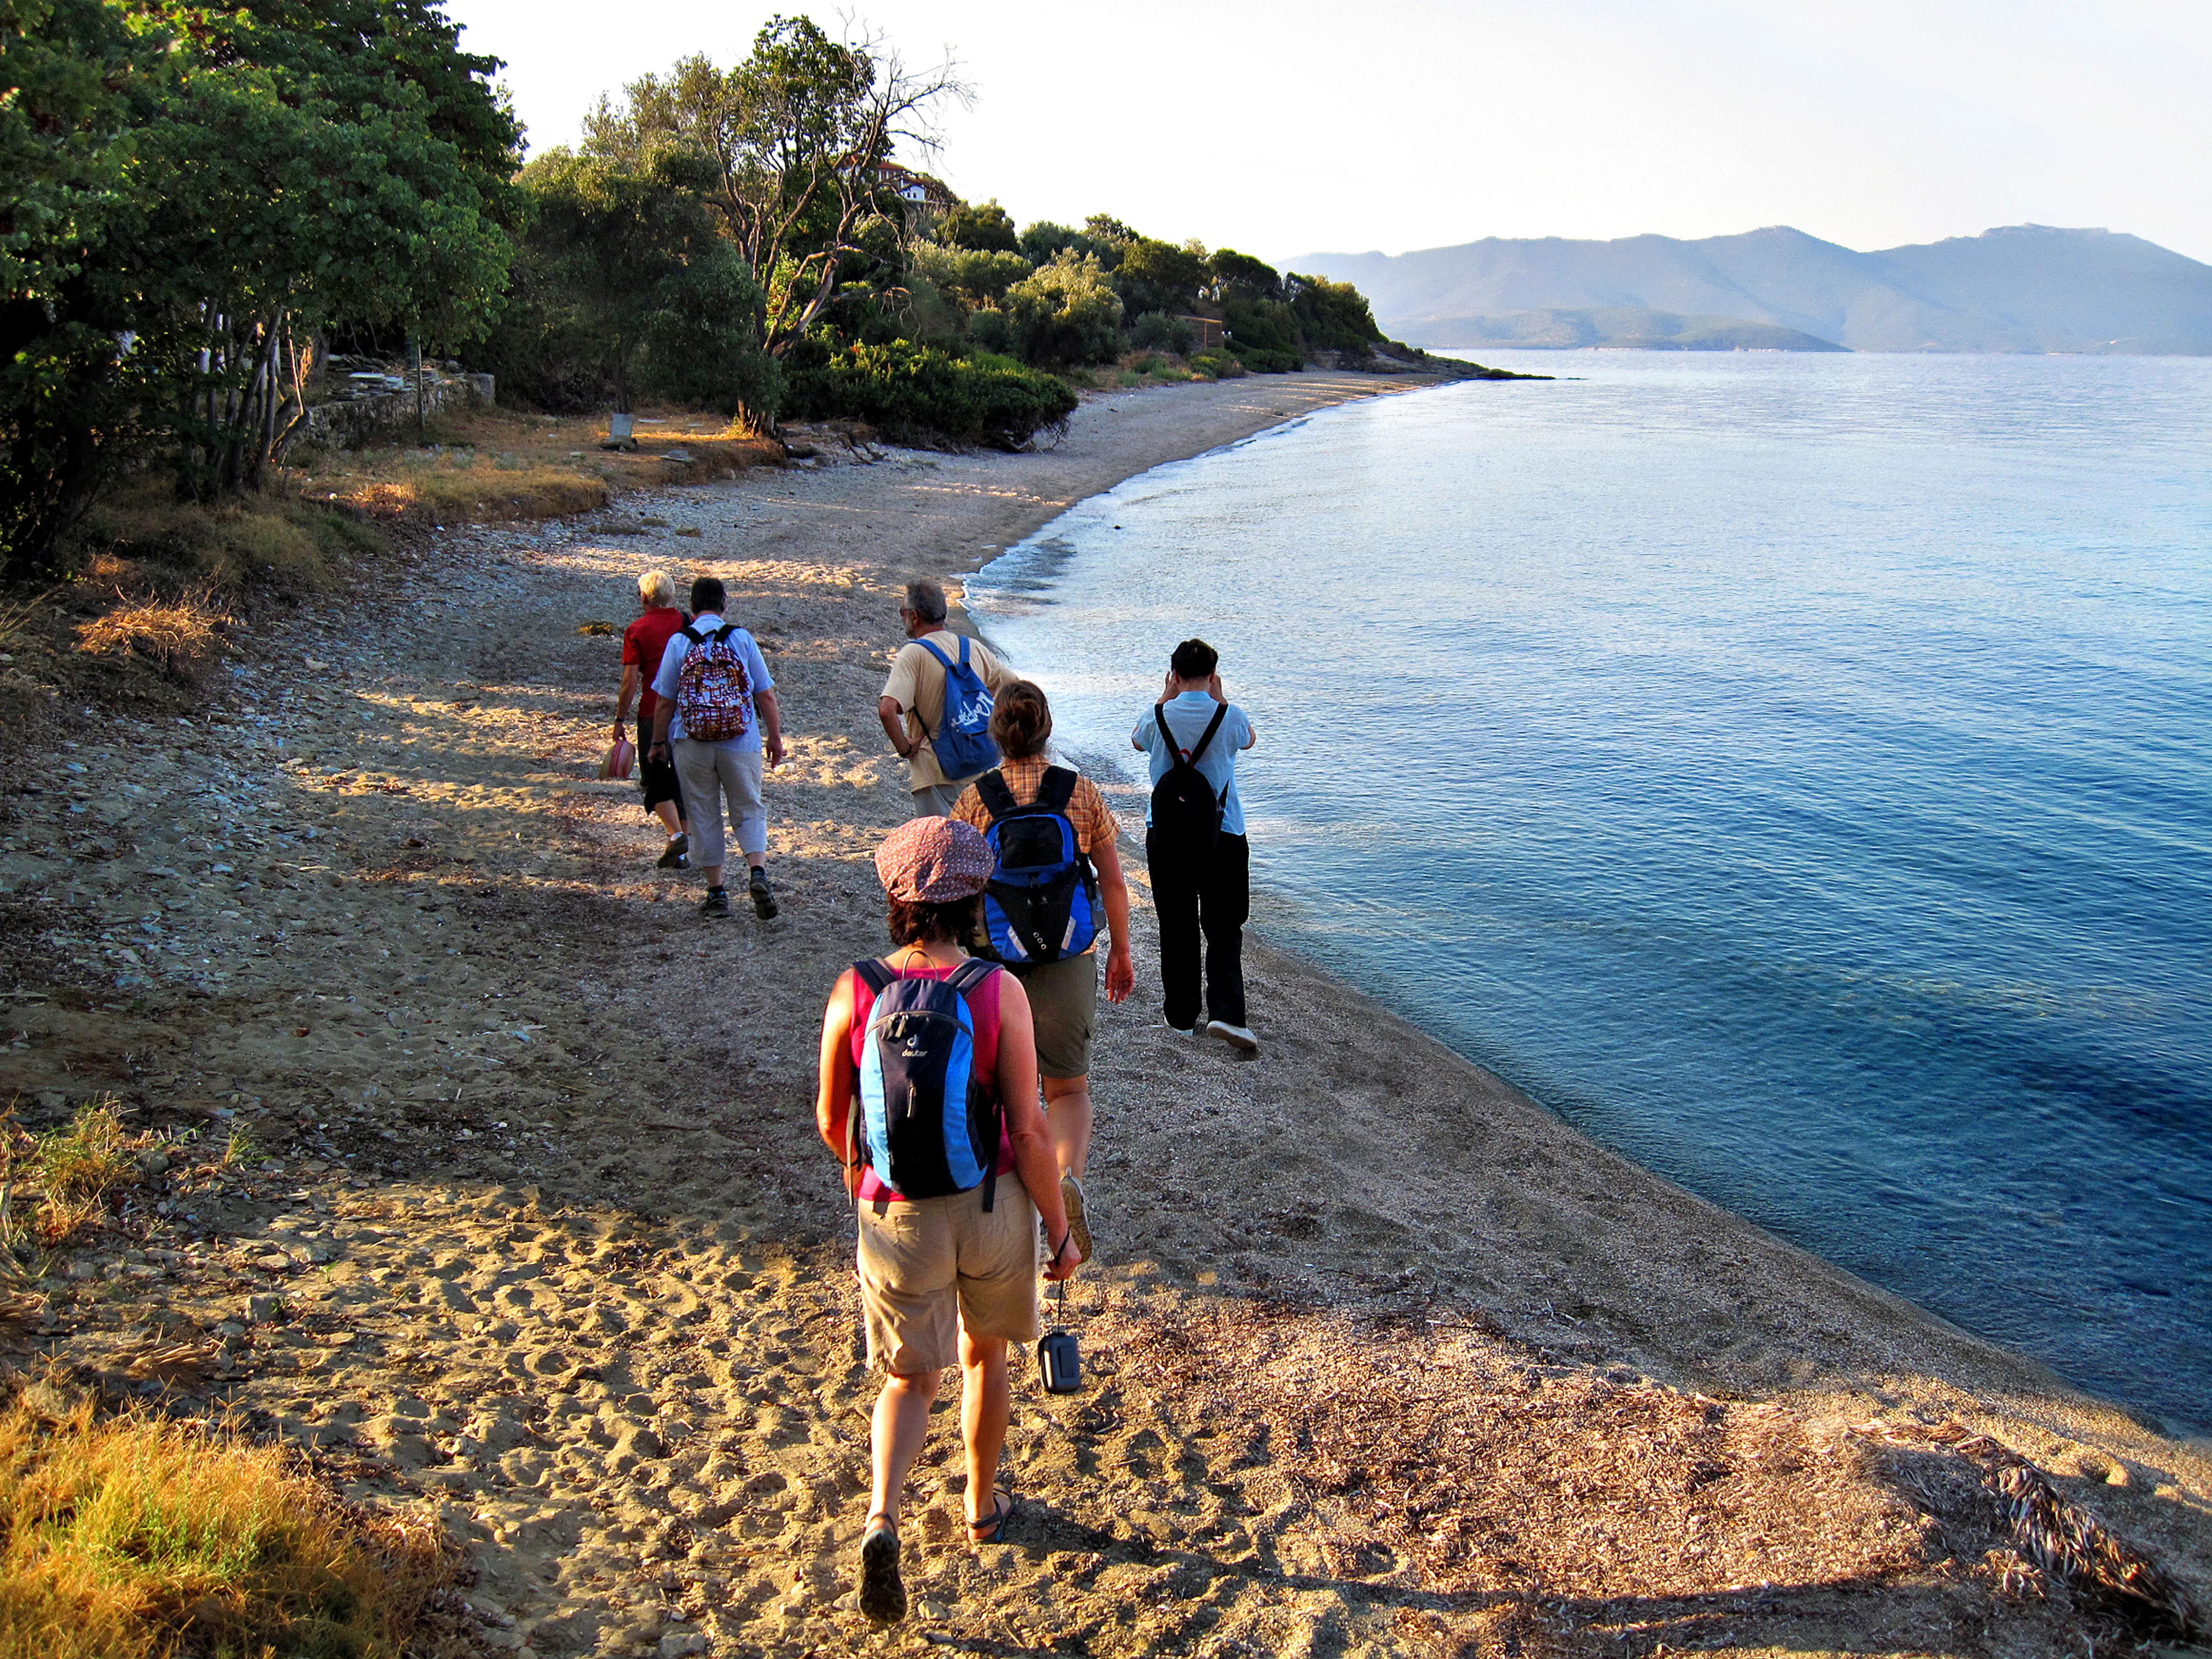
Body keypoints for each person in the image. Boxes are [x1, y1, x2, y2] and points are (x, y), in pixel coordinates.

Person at [815, 816, 1082, 1626]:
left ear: (895, 896)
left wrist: (873, 1186)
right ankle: (979, 1505)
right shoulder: (996, 991)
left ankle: (882, 1519)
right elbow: (1031, 1130)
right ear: (976, 897)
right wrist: (1061, 1232)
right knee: (984, 1357)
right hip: (989, 1203)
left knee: (907, 1377)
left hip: (896, 1211)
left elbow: (832, 1117)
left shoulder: (856, 987)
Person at [952, 681, 1132, 1261]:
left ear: (995, 733)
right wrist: (1121, 951)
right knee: (1069, 1088)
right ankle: (1065, 1176)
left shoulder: (975, 799)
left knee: (999, 1087)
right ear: (1047, 728)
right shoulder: (1079, 792)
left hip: (994, 962)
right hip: (1066, 958)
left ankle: (1003, 1195)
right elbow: (1111, 881)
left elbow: (956, 887)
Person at [1132, 637, 1259, 1052]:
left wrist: (1165, 696)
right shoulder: (1230, 715)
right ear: (1213, 674)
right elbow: (1249, 739)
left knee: (1178, 924)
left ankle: (1181, 1017)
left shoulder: (1157, 716)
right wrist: (1221, 700)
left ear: (1174, 674)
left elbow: (1137, 740)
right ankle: (1226, 1013)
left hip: (1167, 833)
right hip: (1223, 833)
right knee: (1224, 925)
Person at [647, 575, 786, 919]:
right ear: (725, 604)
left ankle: (717, 893)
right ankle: (757, 872)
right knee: (748, 807)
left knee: (702, 812)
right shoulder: (741, 638)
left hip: (692, 741)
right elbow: (765, 694)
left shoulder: (680, 642)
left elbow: (664, 701)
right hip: (740, 740)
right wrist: (775, 738)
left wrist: (658, 744)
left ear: (691, 608)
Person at [878, 580, 1018, 817]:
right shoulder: (972, 648)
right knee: (977, 846)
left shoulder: (914, 654)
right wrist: (992, 720)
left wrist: (905, 748)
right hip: (978, 765)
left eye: (902, 612)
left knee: (944, 845)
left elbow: (887, 709)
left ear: (914, 616)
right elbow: (1015, 688)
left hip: (934, 771)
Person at [613, 569, 690, 870]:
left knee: (654, 780)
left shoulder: (637, 630)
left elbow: (629, 681)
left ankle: (676, 836)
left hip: (652, 710)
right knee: (682, 779)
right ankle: (682, 850)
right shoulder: (687, 622)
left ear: (645, 597)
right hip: (687, 712)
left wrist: (620, 717)